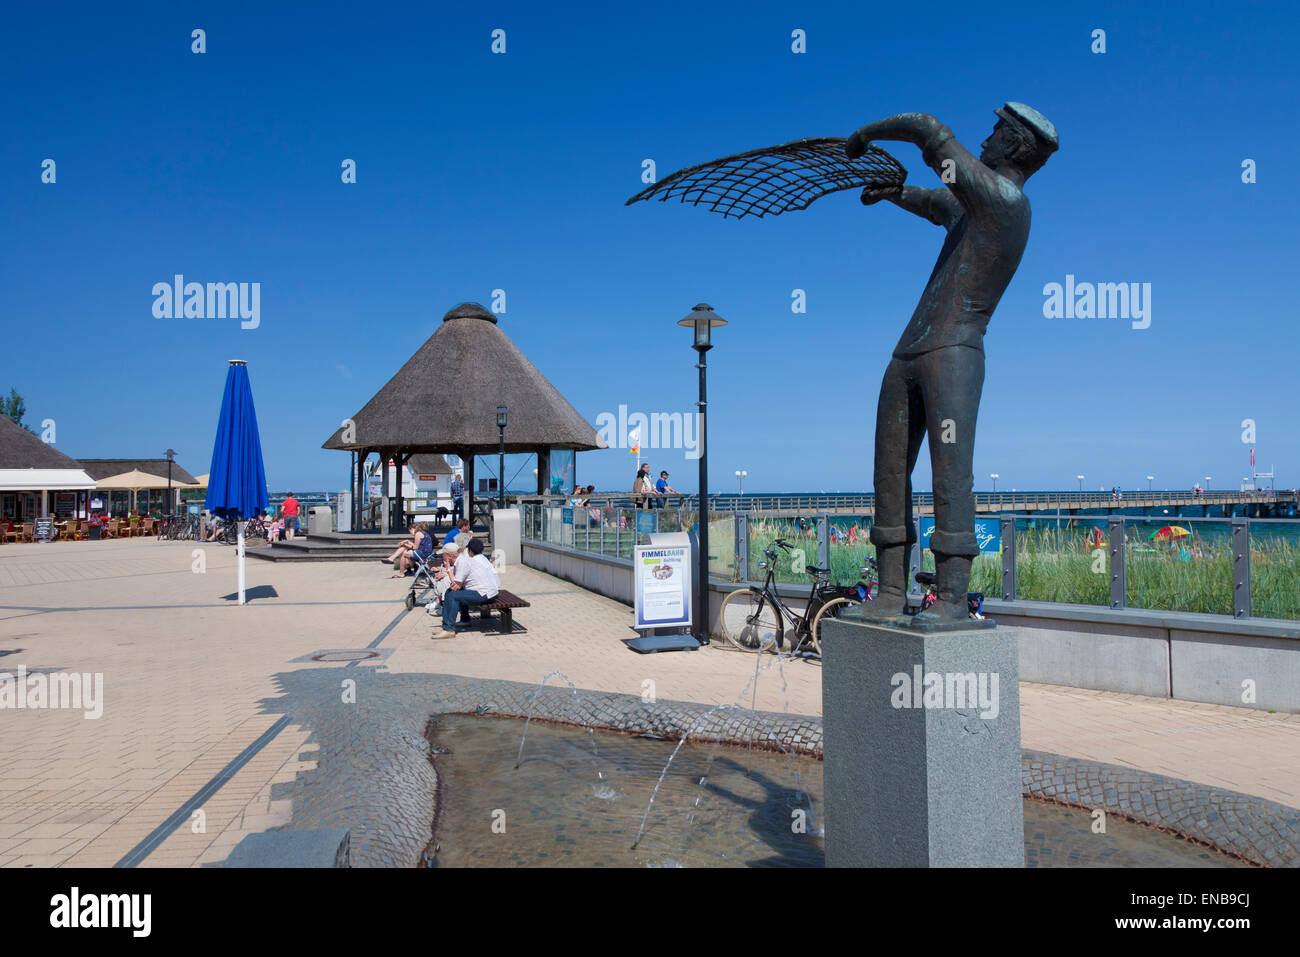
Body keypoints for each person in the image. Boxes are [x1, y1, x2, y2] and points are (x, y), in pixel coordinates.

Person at [845, 102, 1059, 621]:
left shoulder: (1006, 203)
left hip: (954, 354)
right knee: (889, 473)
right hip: (909, 351)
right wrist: (894, 193)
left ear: (1015, 144)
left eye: (995, 132)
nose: (985, 139)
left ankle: (954, 599)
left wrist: (864, 134)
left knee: (950, 475)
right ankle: (892, 592)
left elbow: (927, 131)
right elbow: (935, 201)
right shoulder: (971, 206)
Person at [431, 538, 500, 639]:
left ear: (449, 555)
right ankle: (448, 625)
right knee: (449, 592)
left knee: (453, 595)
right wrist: (447, 571)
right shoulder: (461, 560)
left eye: (443, 554)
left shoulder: (462, 562)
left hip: (484, 594)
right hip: (485, 591)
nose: (442, 556)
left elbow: (456, 586)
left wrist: (448, 569)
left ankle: (449, 629)